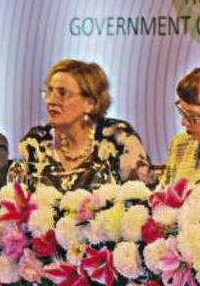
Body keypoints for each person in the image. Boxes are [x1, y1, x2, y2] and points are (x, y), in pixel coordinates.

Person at [19, 59, 151, 190]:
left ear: (90, 104)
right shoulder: (36, 142)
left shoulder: (118, 138)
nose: (51, 101)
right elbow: (20, 197)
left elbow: (145, 195)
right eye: (49, 91)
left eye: (62, 93)